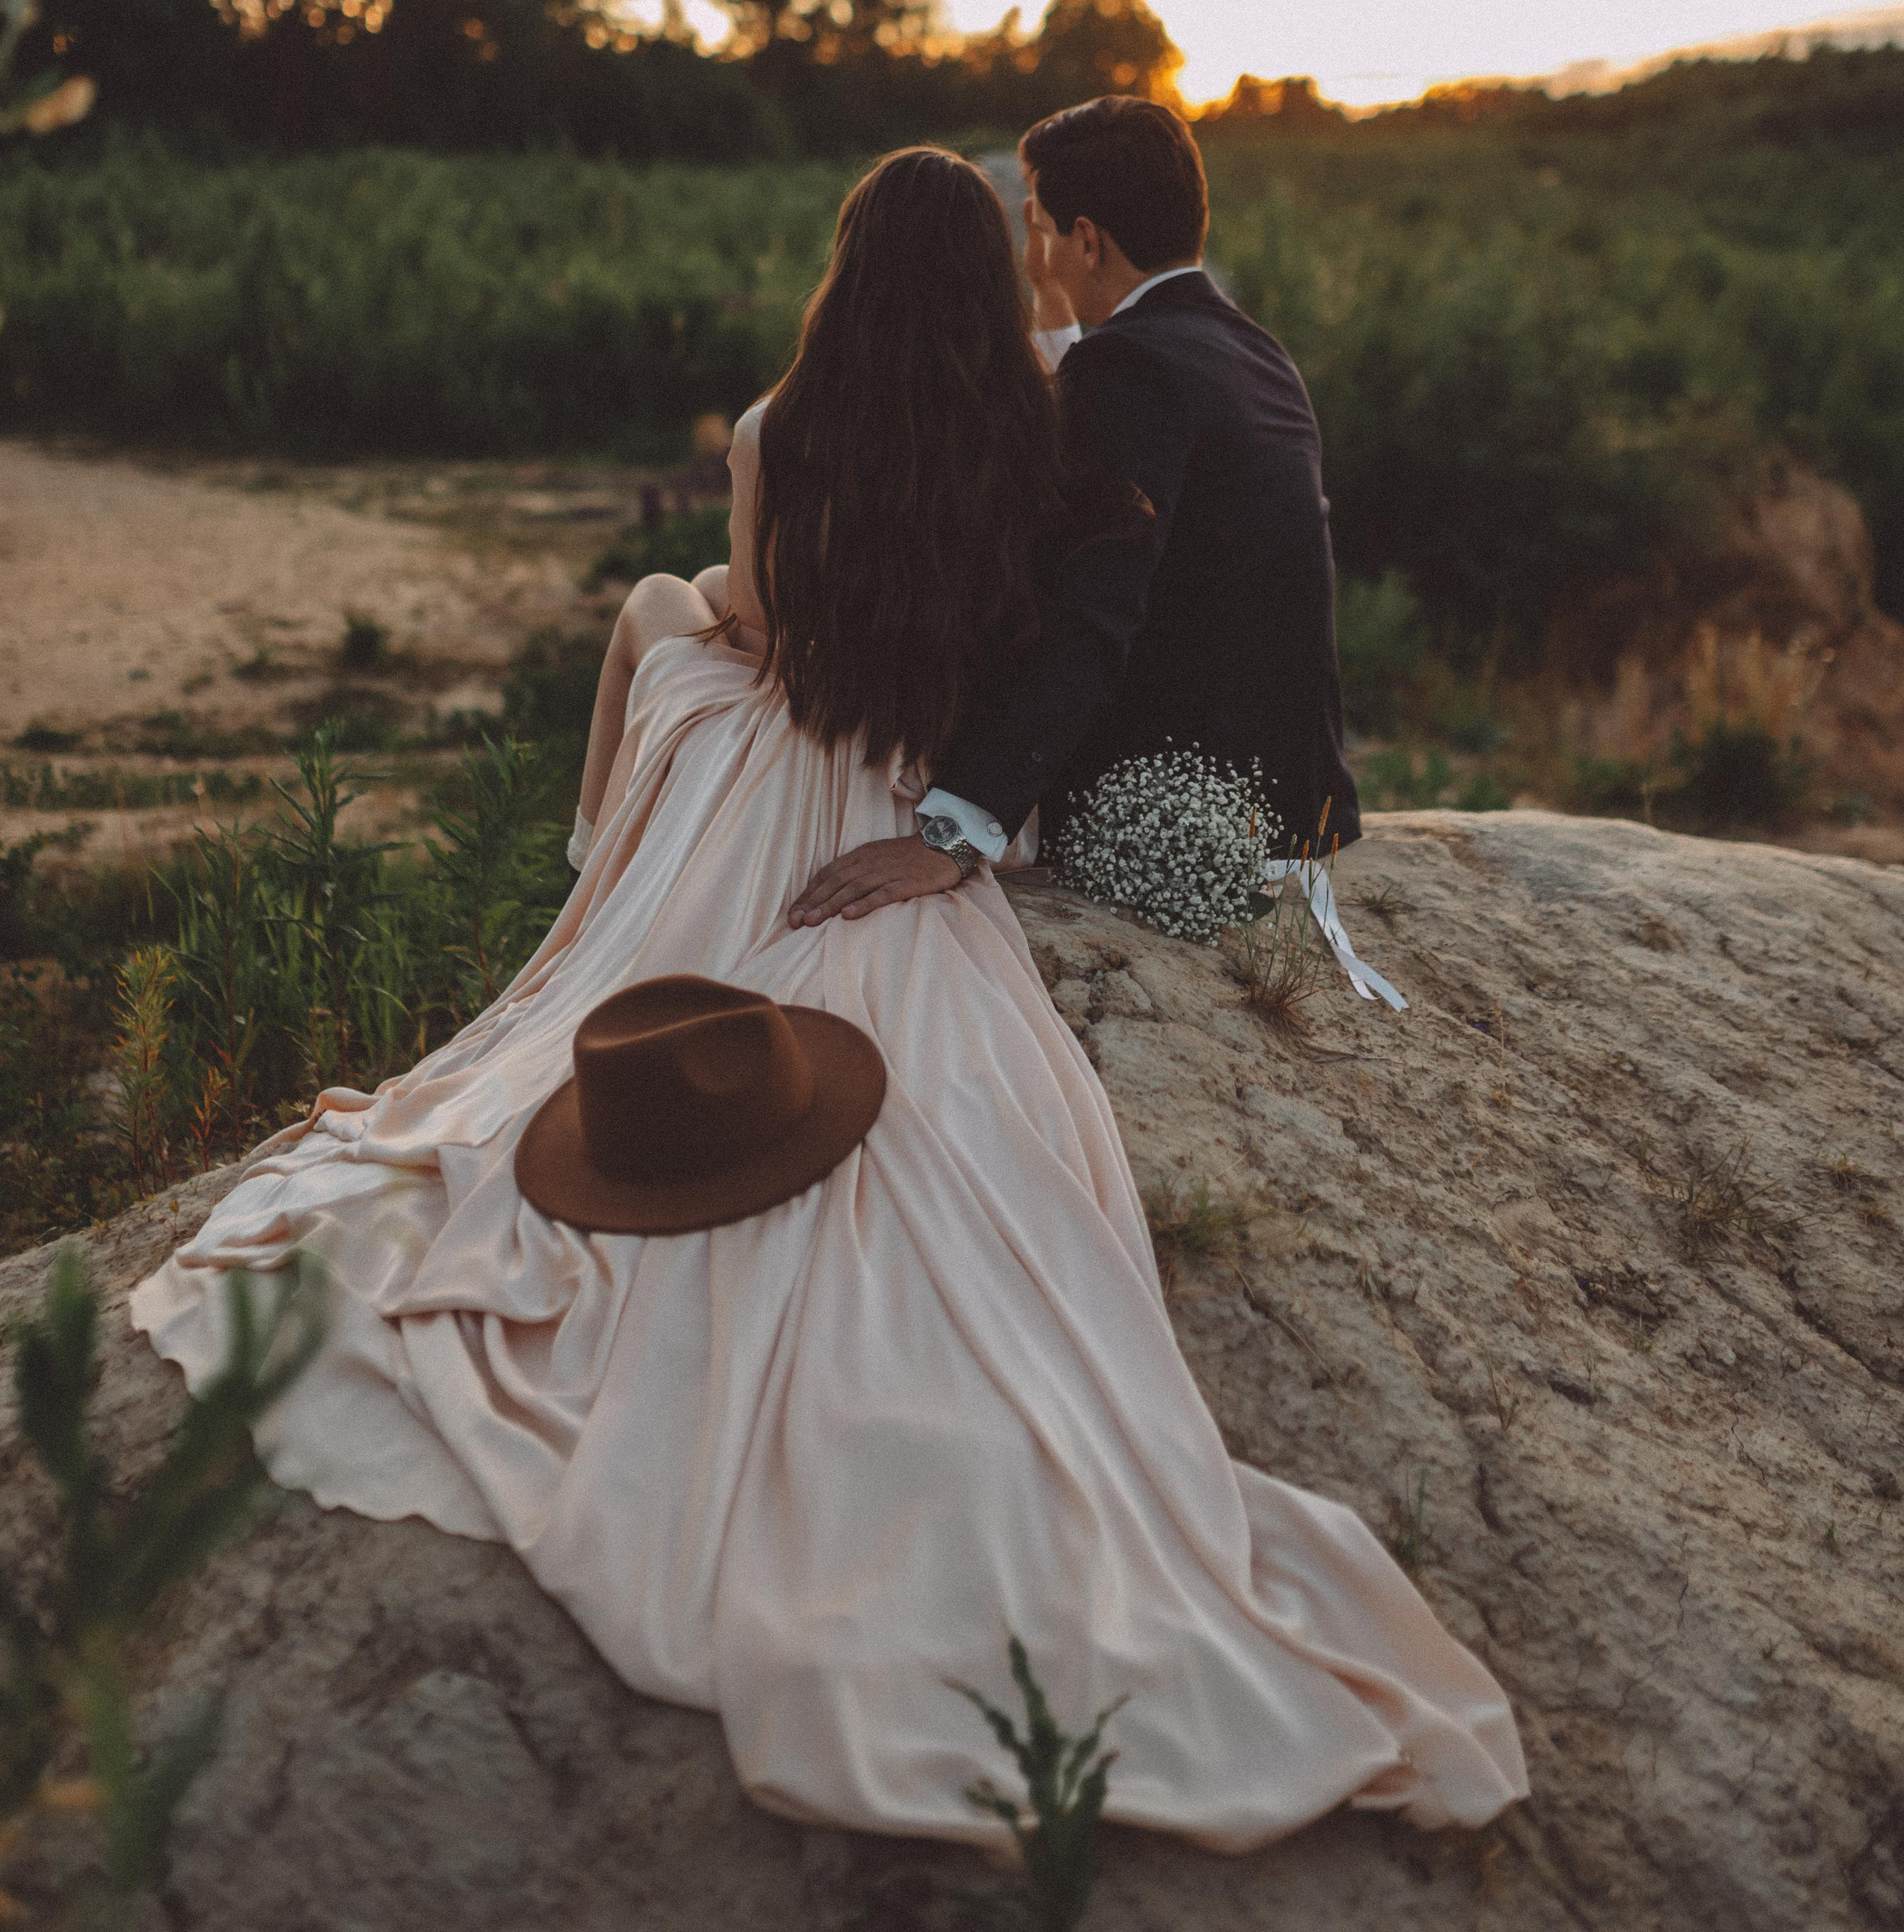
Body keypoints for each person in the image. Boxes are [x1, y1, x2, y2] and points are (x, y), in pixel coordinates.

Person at [132, 147, 1523, 1851]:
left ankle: (598, 867)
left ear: (844, 272)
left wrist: (722, 597)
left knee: (661, 614)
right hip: (915, 776)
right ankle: (605, 871)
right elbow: (1043, 615)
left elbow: (773, 635)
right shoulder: (1038, 419)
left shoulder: (772, 431)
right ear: (981, 281)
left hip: (794, 752)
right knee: (683, 632)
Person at [793, 96, 1360, 929]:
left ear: (1086, 240)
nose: (1042, 251)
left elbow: (1088, 611)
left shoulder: (1130, 371)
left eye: (1049, 230)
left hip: (1181, 817)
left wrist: (953, 835)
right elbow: (1122, 464)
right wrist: (1057, 319)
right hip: (1285, 799)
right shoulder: (1247, 349)